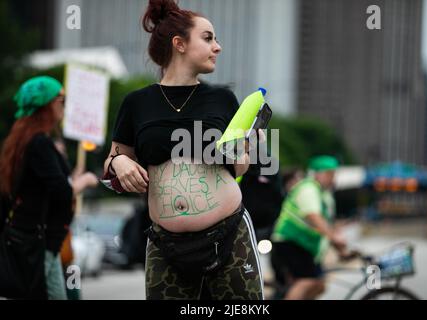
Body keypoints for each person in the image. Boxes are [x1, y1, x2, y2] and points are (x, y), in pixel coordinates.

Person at [102, 0, 263, 300]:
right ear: (180, 44)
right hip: (165, 244)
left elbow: (241, 167)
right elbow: (110, 161)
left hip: (229, 235)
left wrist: (246, 150)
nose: (218, 47)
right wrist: (121, 162)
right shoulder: (137, 103)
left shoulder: (223, 99)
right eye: (208, 38)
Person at [0, 76, 98, 299]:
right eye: (61, 99)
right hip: (39, 244)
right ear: (47, 105)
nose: (64, 106)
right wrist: (84, 181)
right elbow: (61, 191)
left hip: (39, 243)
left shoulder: (20, 141)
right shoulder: (39, 143)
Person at [270, 155, 347, 300]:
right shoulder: (308, 188)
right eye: (330, 174)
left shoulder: (323, 194)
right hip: (290, 241)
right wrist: (335, 238)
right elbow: (313, 217)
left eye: (334, 174)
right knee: (307, 282)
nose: (333, 179)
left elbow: (325, 225)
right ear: (318, 173)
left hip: (304, 246)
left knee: (319, 285)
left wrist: (341, 250)